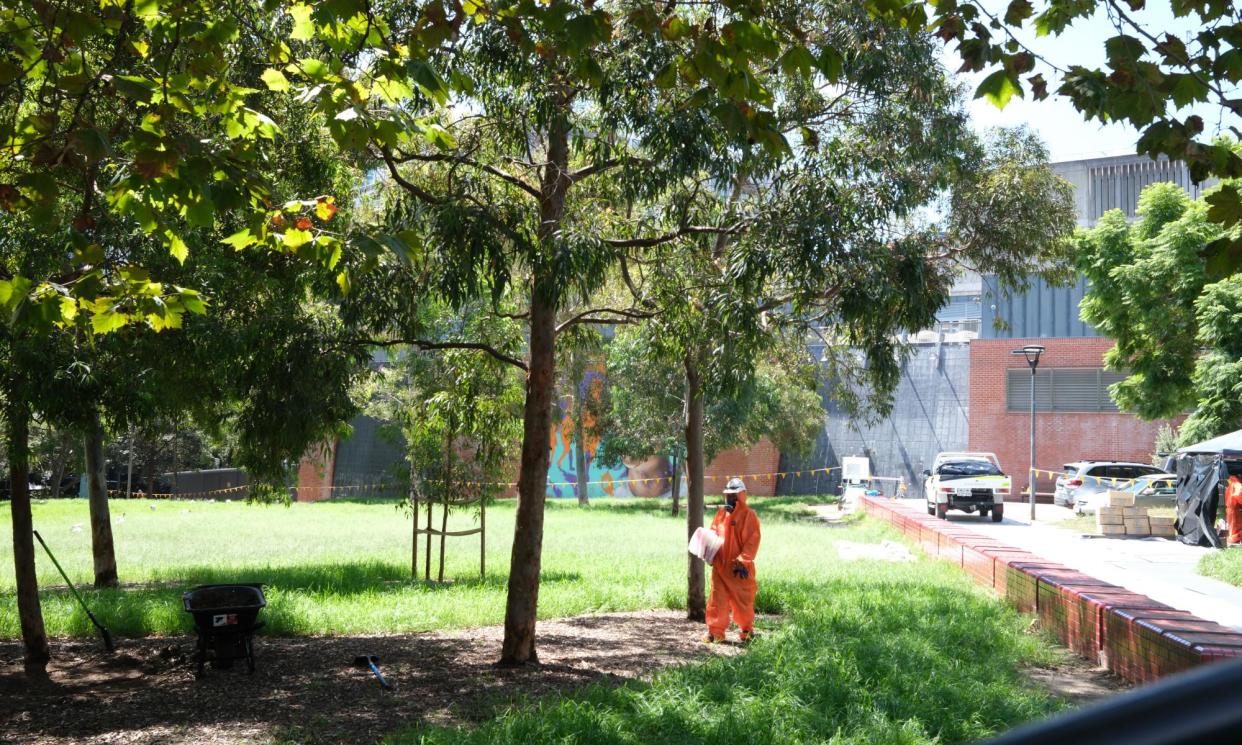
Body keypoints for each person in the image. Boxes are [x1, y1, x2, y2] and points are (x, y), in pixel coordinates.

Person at [704, 477, 761, 644]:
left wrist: (743, 561)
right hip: (720, 568)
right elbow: (713, 535)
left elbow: (752, 540)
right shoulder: (721, 515)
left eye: (734, 495)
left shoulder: (749, 516)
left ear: (741, 495)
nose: (730, 498)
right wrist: (709, 554)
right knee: (717, 601)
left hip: (739, 570)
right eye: (728, 495)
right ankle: (715, 633)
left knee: (743, 601)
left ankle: (747, 631)